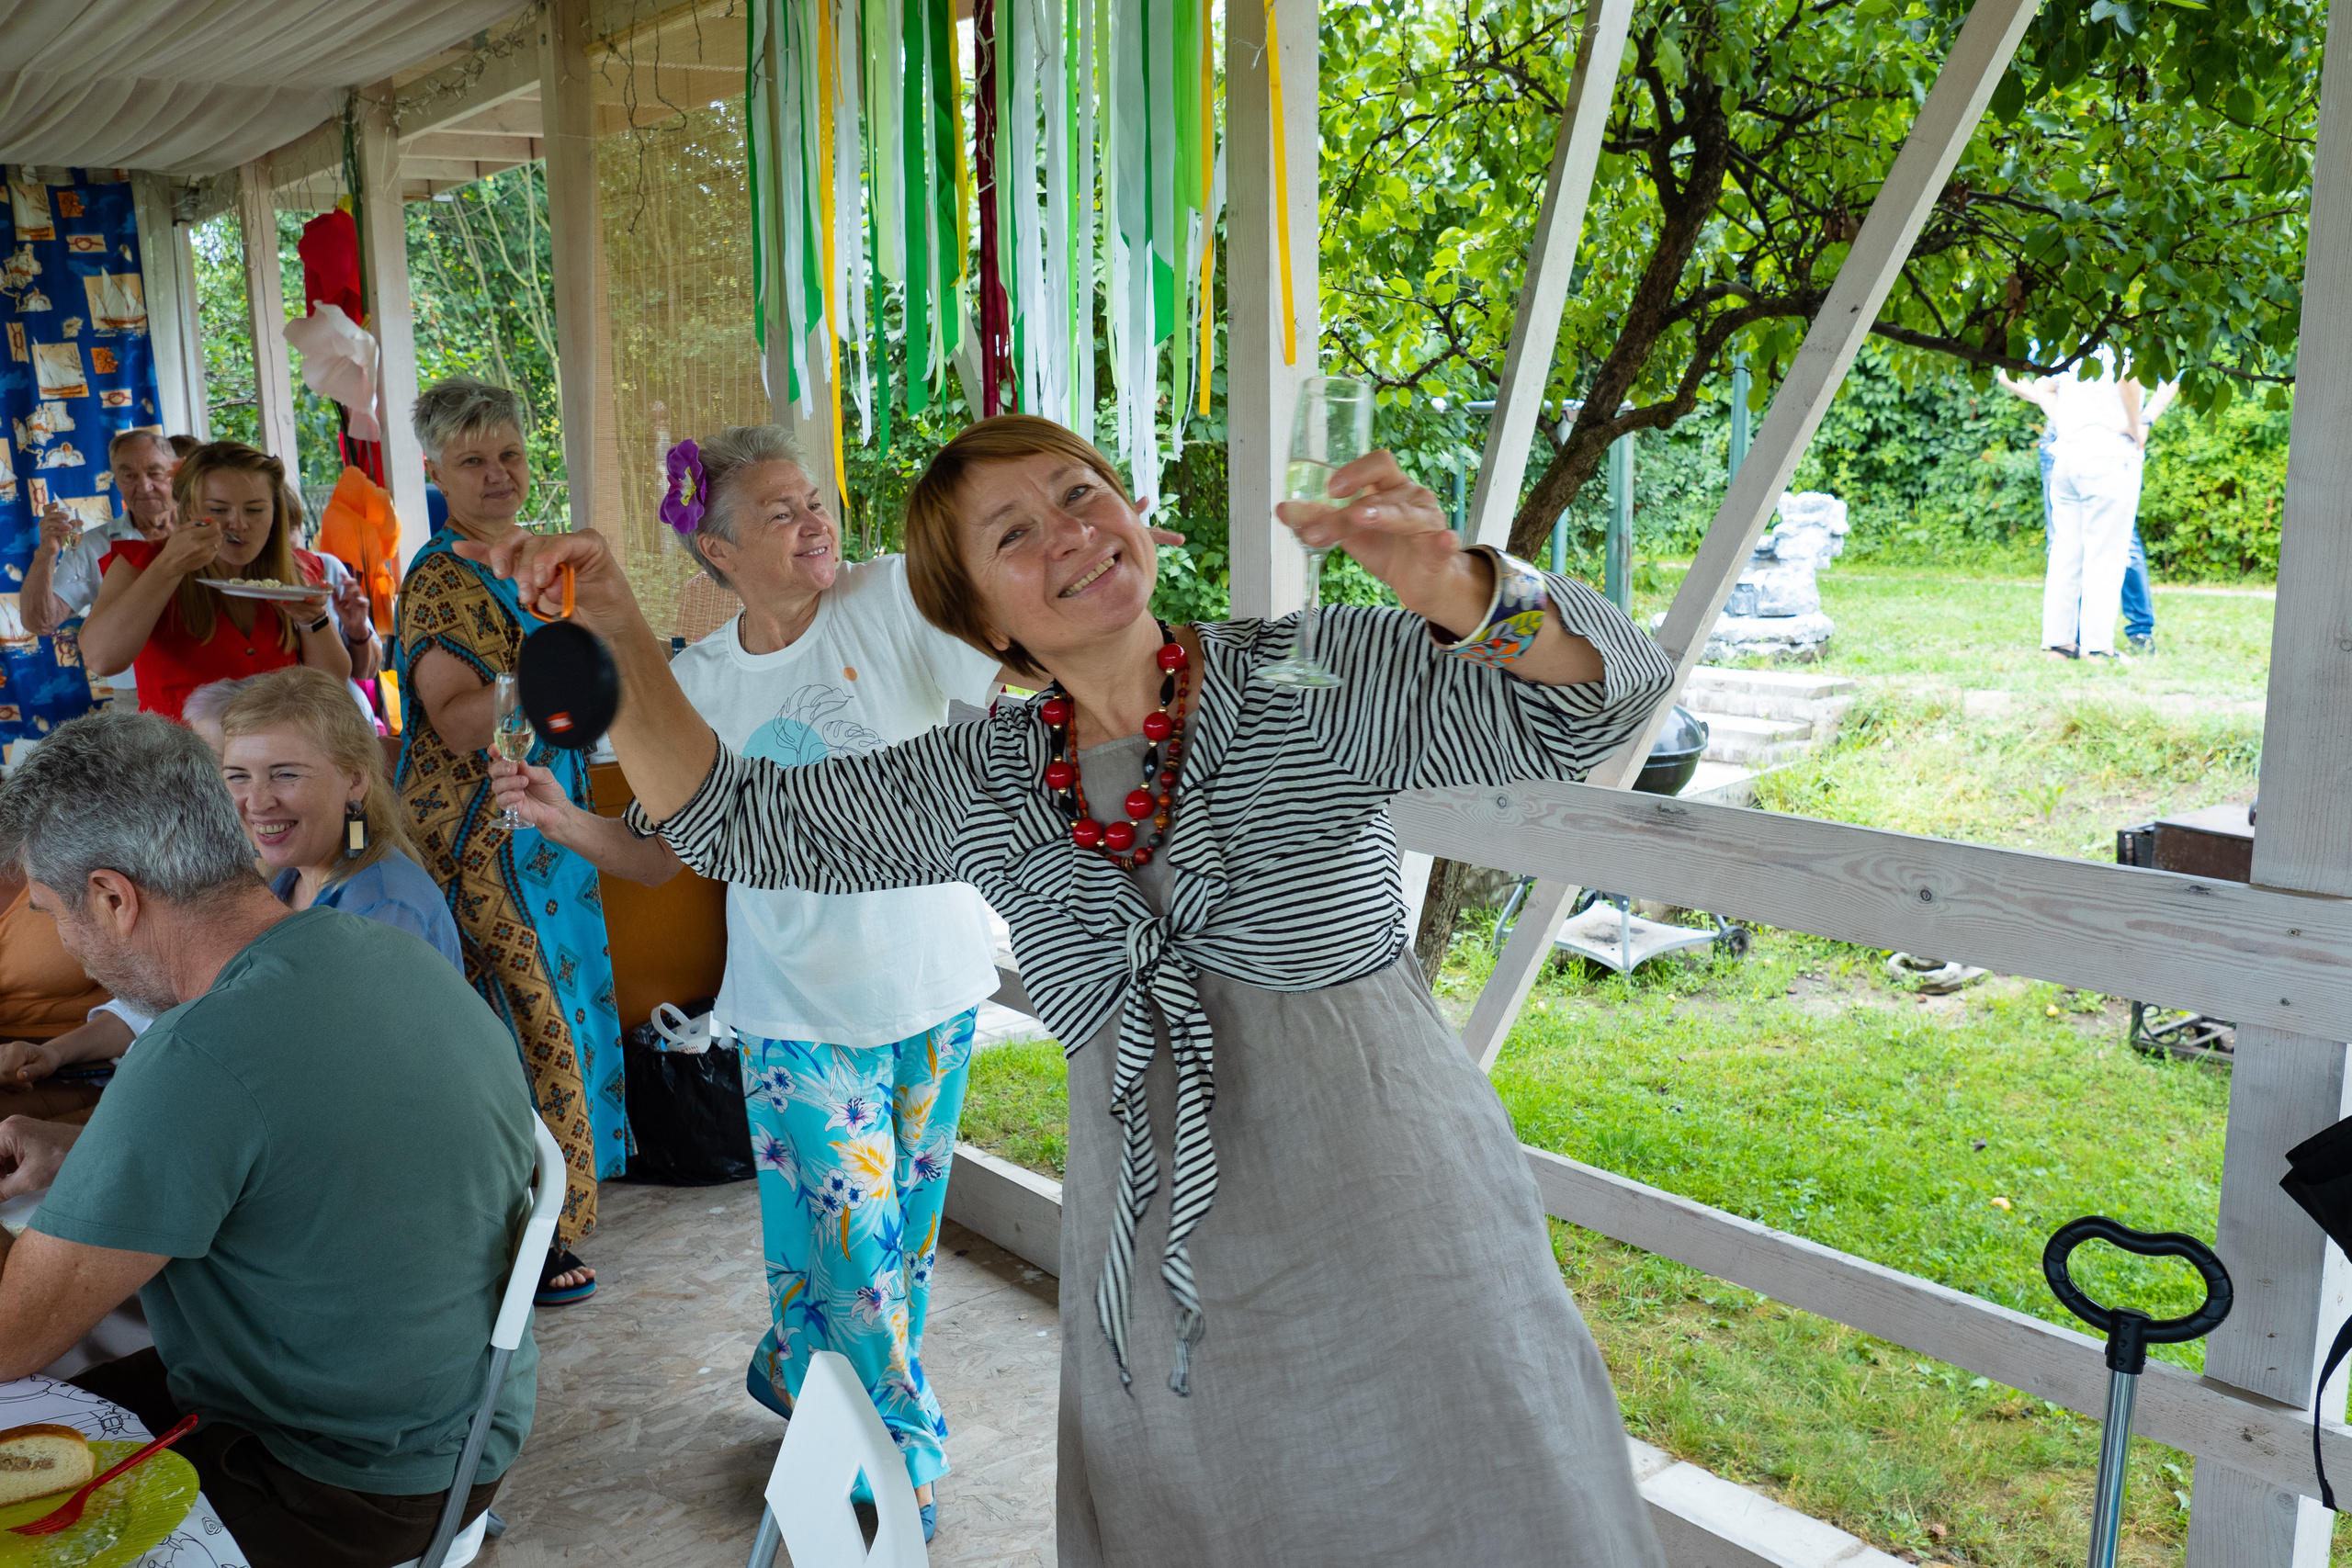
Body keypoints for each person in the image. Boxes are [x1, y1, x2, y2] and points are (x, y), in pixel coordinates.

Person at [483, 413, 1676, 1565]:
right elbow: (733, 816)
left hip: (1401, 1214)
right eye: (1012, 533)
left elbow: (1604, 697)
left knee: (1482, 1496)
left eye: (1077, 492)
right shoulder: (994, 774)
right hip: (1160, 1258)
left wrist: (1465, 587)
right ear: (975, 617)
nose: (1067, 531)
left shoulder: (1302, 667)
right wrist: (622, 625)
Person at [494, 424, 1007, 1535]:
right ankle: (898, 1452)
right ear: (716, 553)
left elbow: (1016, 646)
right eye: (779, 512)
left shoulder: (894, 599)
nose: (814, 521)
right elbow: (658, 848)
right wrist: (558, 814)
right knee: (857, 1256)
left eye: (814, 501)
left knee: (895, 1245)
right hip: (796, 1012)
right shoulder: (699, 684)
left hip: (937, 981)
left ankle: (796, 1360)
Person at [0, 711, 540, 1568]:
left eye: (56, 913)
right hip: (466, 1427)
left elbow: (10, 1335)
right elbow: (299, 1148)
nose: (68, 943)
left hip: (339, 1483)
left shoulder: (194, 1056)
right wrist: (82, 1154)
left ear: (112, 896)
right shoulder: (377, 949)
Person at [393, 376, 617, 1306]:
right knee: (520, 1024)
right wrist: (567, 670)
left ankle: (569, 1197)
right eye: (474, 459)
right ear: (435, 468)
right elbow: (451, 719)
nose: (497, 474)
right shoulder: (441, 576)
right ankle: (532, 1226)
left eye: (511, 454)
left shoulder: (538, 561)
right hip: (476, 838)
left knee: (565, 1006)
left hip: (546, 819)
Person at [76, 442, 351, 722]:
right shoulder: (139, 563)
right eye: (219, 510)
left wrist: (313, 620)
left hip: (274, 753)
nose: (238, 524)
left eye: (254, 510)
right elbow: (101, 659)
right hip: (180, 757)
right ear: (190, 511)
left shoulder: (299, 569)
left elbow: (332, 684)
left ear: (275, 512)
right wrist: (168, 567)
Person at [220, 667, 462, 971]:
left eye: (285, 774)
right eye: (238, 776)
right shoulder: (287, 877)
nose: (256, 803)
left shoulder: (383, 910)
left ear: (355, 780)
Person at [19, 428, 179, 638]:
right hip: (128, 670)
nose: (144, 486)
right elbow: (40, 623)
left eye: (155, 473)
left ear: (176, 475)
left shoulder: (207, 535)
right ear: (117, 482)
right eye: (129, 476)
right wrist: (46, 555)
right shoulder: (93, 545)